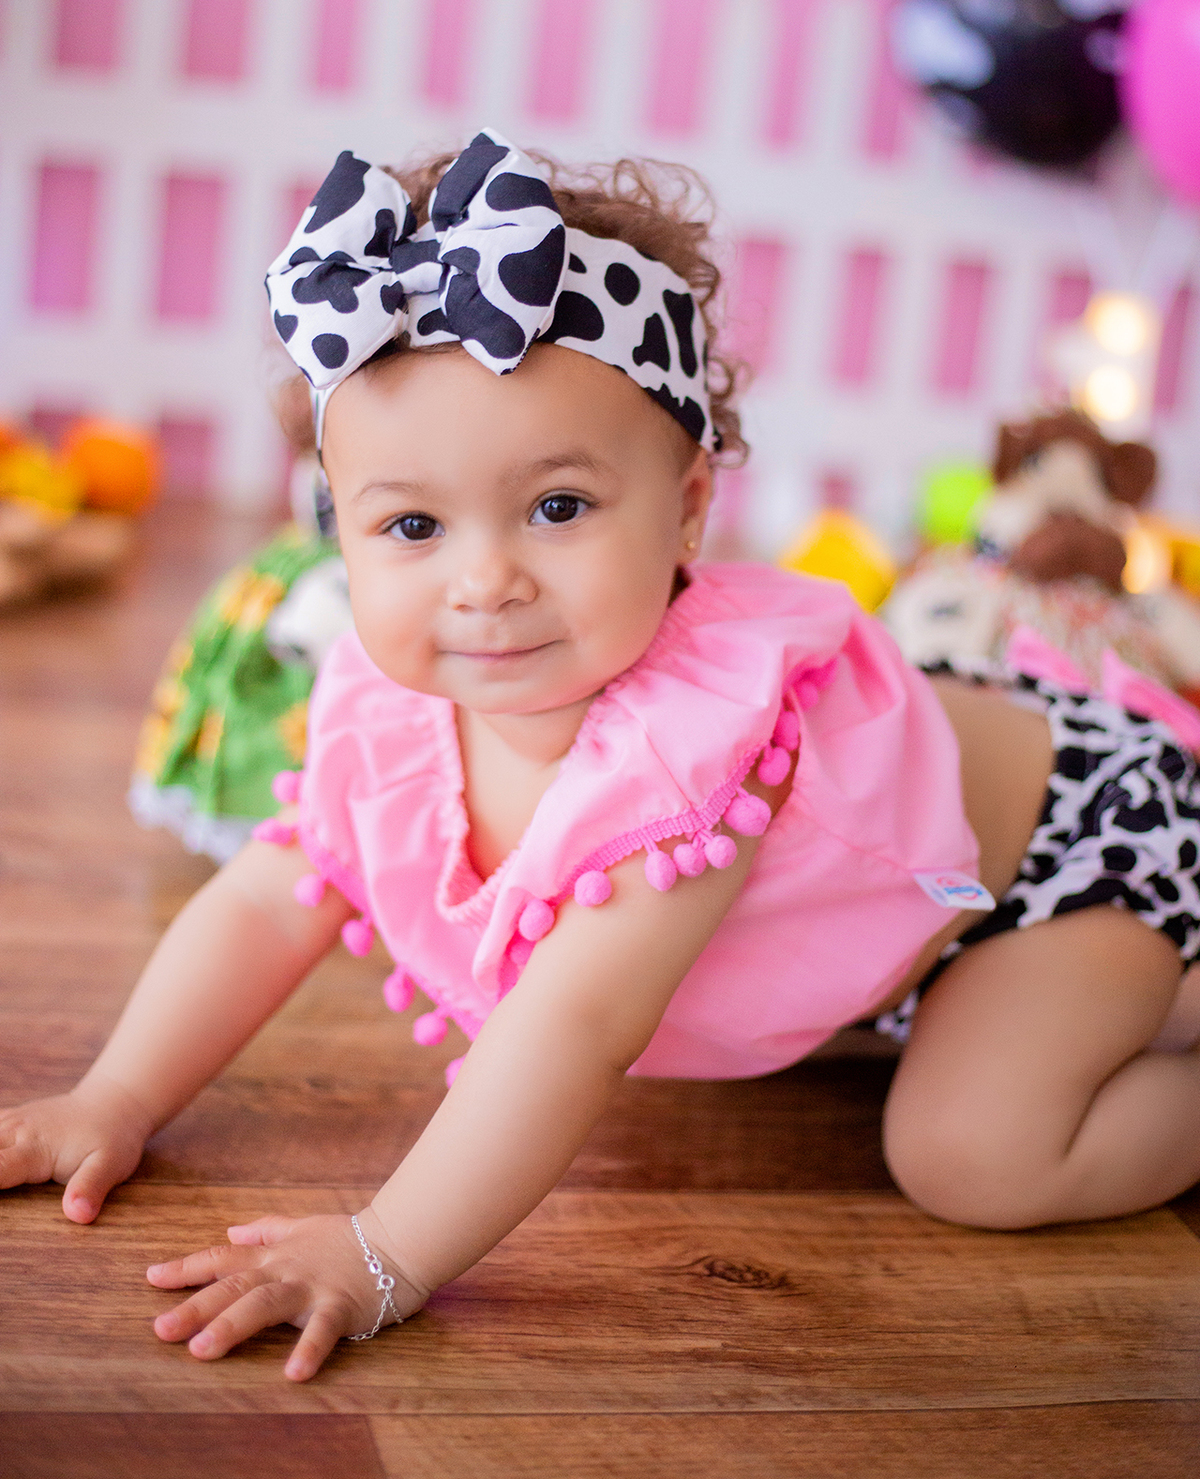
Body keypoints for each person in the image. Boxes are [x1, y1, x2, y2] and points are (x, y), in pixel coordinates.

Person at [3, 131, 1199, 1384]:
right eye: (411, 524)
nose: (486, 582)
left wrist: (382, 1253)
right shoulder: (393, 700)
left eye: (558, 508)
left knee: (976, 1153)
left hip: (1067, 850)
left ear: (687, 508)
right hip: (922, 878)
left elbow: (574, 1024)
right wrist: (114, 1100)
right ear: (336, 533)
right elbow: (268, 893)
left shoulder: (705, 744)